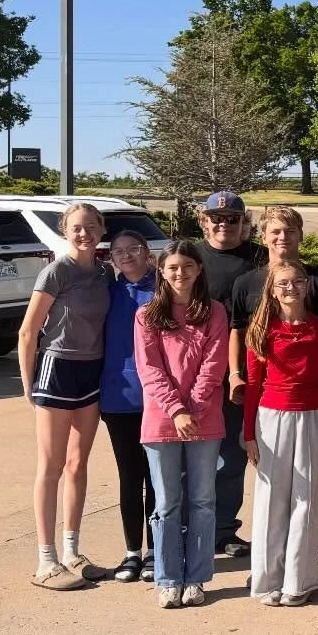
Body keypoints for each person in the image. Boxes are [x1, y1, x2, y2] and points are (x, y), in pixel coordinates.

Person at [229, 206, 318, 585]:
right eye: (275, 231)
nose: (283, 238)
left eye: (290, 231)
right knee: (272, 492)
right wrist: (236, 377)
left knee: (309, 490)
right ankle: (268, 567)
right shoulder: (246, 285)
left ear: (300, 235)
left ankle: (312, 558)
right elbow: (241, 336)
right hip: (269, 405)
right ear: (264, 236)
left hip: (311, 405)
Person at [19, 202, 112, 590]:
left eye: (91, 226)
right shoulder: (57, 271)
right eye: (76, 227)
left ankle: (73, 551)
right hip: (56, 370)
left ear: (101, 228)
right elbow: (28, 332)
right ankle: (46, 560)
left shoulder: (105, 273)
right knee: (51, 466)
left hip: (91, 370)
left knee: (78, 463)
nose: (84, 233)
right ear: (65, 230)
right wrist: (29, 388)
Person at [134, 242, 230, 609]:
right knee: (167, 503)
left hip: (205, 420)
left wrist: (194, 408)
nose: (180, 273)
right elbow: (150, 369)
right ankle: (168, 576)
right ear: (162, 271)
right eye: (173, 267)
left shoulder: (214, 312)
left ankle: (198, 578)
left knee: (203, 501)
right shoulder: (147, 315)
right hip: (161, 422)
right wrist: (176, 410)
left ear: (199, 270)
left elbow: (214, 365)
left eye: (187, 266)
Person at [197, 191, 266, 558]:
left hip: (244, 374)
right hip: (197, 373)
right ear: (205, 221)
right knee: (196, 457)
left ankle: (224, 530)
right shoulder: (191, 257)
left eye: (232, 219)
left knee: (232, 457)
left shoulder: (260, 258)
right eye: (217, 218)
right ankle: (193, 529)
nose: (224, 224)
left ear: (244, 222)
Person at [98, 231, 158, 583]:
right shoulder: (107, 292)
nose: (126, 256)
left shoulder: (163, 291)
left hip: (157, 399)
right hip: (118, 398)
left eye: (132, 249)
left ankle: (155, 550)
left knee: (157, 479)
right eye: (118, 252)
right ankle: (132, 551)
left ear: (146, 253)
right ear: (112, 258)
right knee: (129, 476)